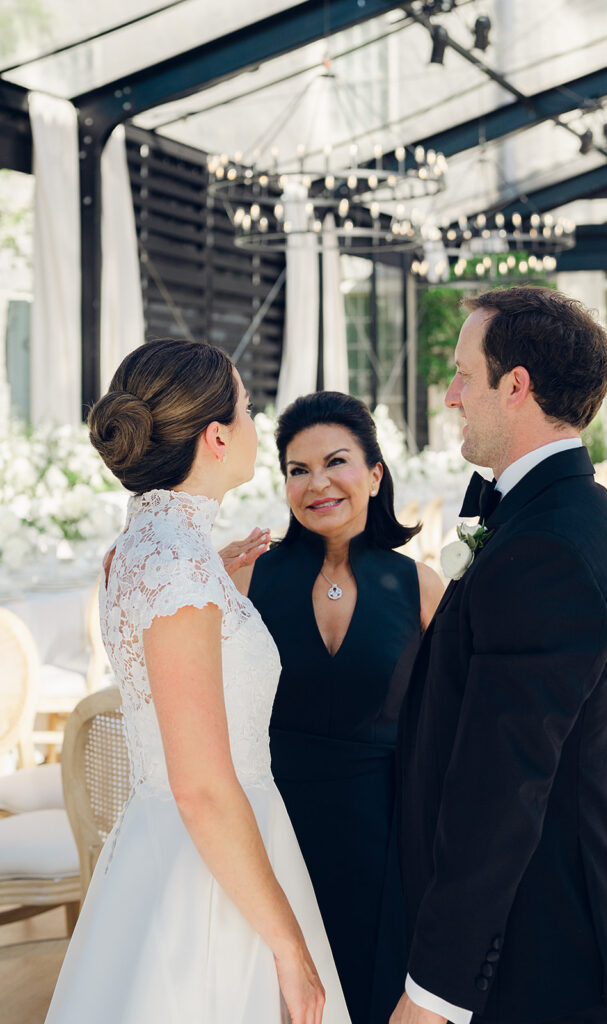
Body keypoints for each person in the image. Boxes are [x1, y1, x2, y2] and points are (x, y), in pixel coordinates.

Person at [45, 339, 351, 1024]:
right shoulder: (177, 567)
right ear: (215, 437)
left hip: (183, 849)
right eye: (247, 410)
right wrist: (289, 950)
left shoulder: (154, 547)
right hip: (205, 875)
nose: (254, 425)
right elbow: (203, 786)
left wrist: (220, 585)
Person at [392, 286, 607, 1024]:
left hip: (538, 948)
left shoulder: (548, 548)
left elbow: (503, 790)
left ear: (517, 386)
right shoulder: (553, 514)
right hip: (526, 931)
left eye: (465, 374)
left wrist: (431, 992)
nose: (450, 395)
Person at [222, 391, 444, 1024]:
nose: (316, 482)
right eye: (297, 469)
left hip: (386, 844)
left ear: (375, 474)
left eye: (336, 462)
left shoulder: (421, 587)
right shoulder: (247, 579)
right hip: (275, 830)